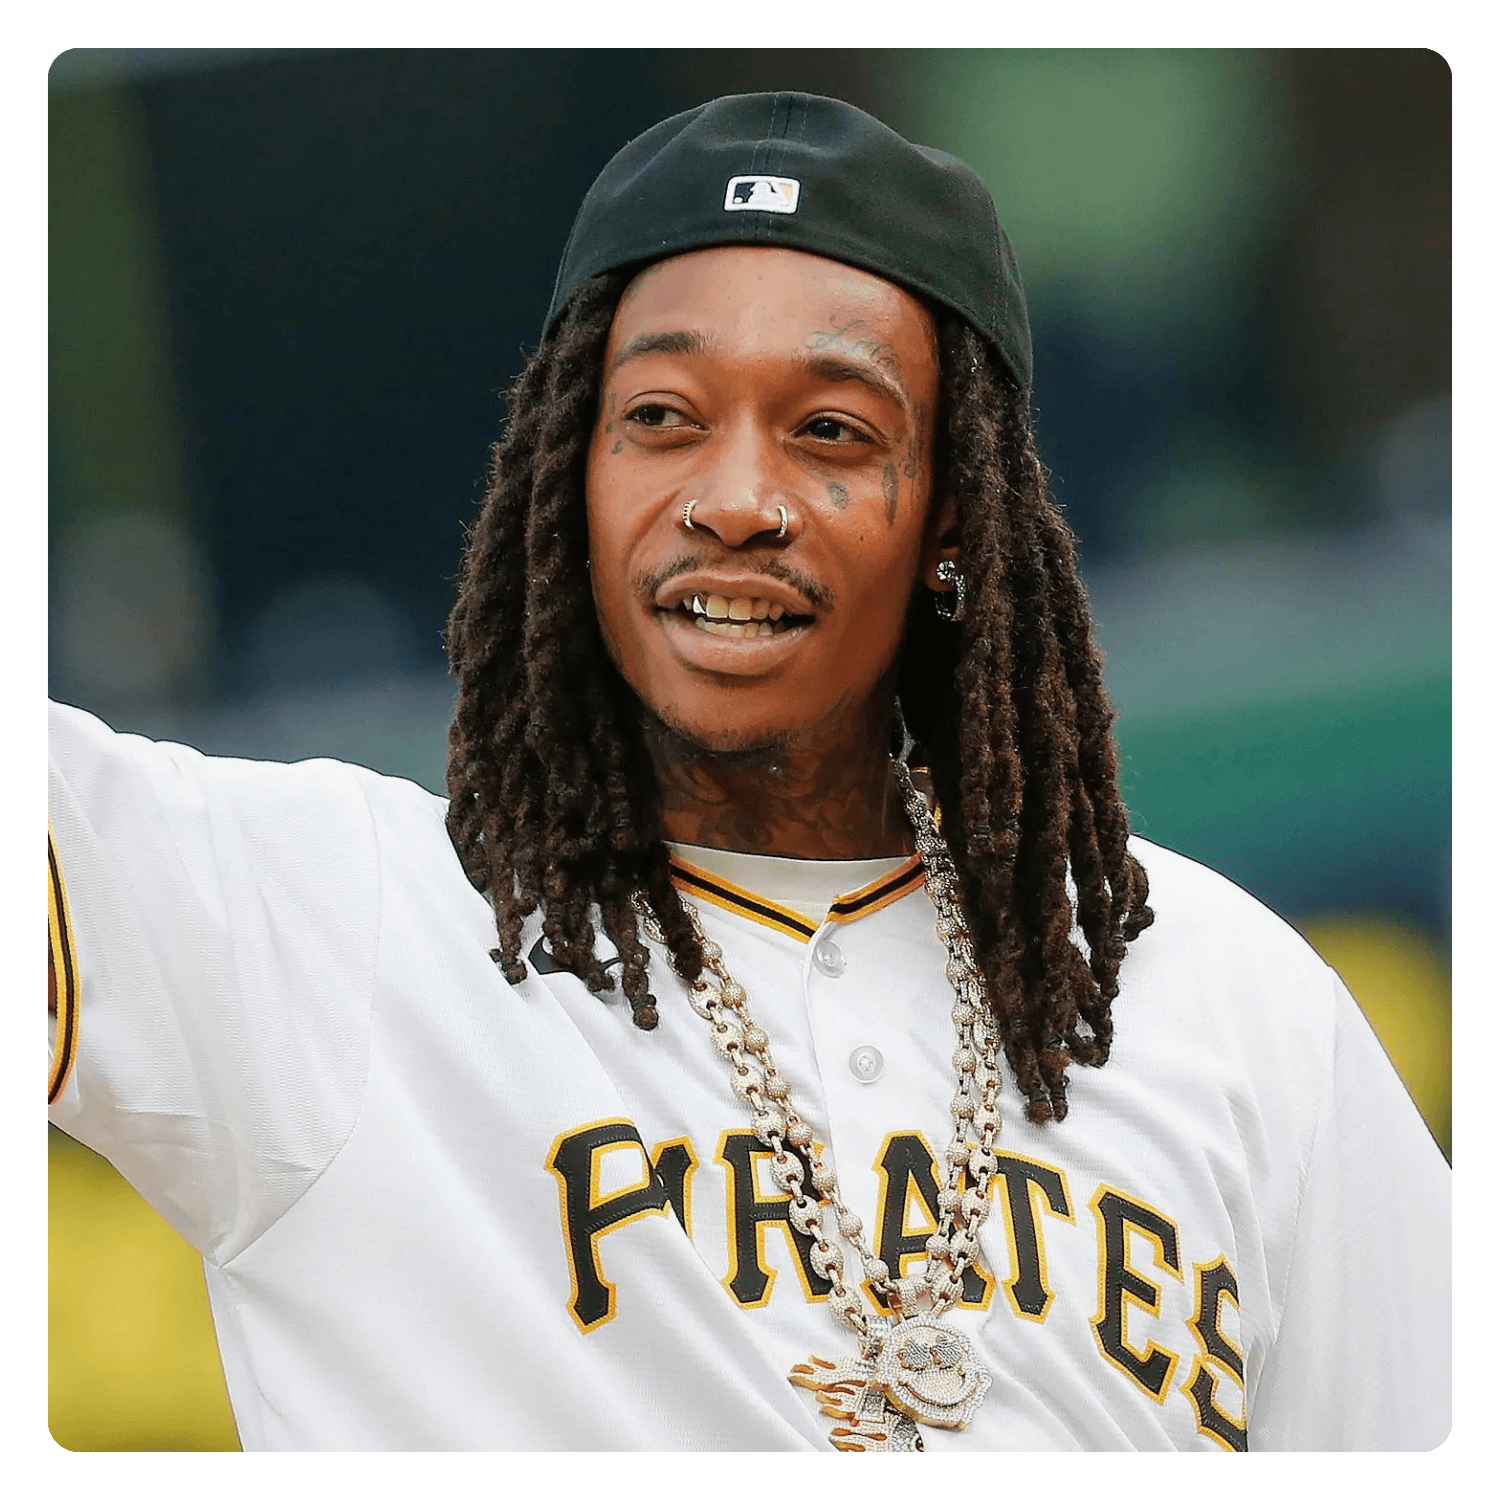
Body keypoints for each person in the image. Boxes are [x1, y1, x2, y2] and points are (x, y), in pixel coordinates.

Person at [47, 91, 1451, 1452]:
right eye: (659, 417)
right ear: (568, 479)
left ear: (954, 516)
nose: (731, 498)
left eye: (831, 431)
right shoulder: (330, 925)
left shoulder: (1238, 1008)